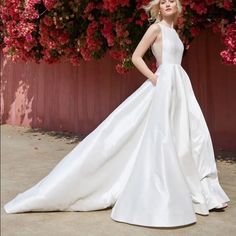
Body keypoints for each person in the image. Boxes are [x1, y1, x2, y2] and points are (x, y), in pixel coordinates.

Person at [4, 0, 230, 228]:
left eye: (172, 0)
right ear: (158, 8)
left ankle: (193, 187)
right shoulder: (156, 29)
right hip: (163, 85)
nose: (168, 4)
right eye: (163, 2)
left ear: (179, 6)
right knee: (157, 136)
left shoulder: (175, 32)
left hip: (180, 87)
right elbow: (136, 57)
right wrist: (154, 78)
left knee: (187, 136)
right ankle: (161, 193)